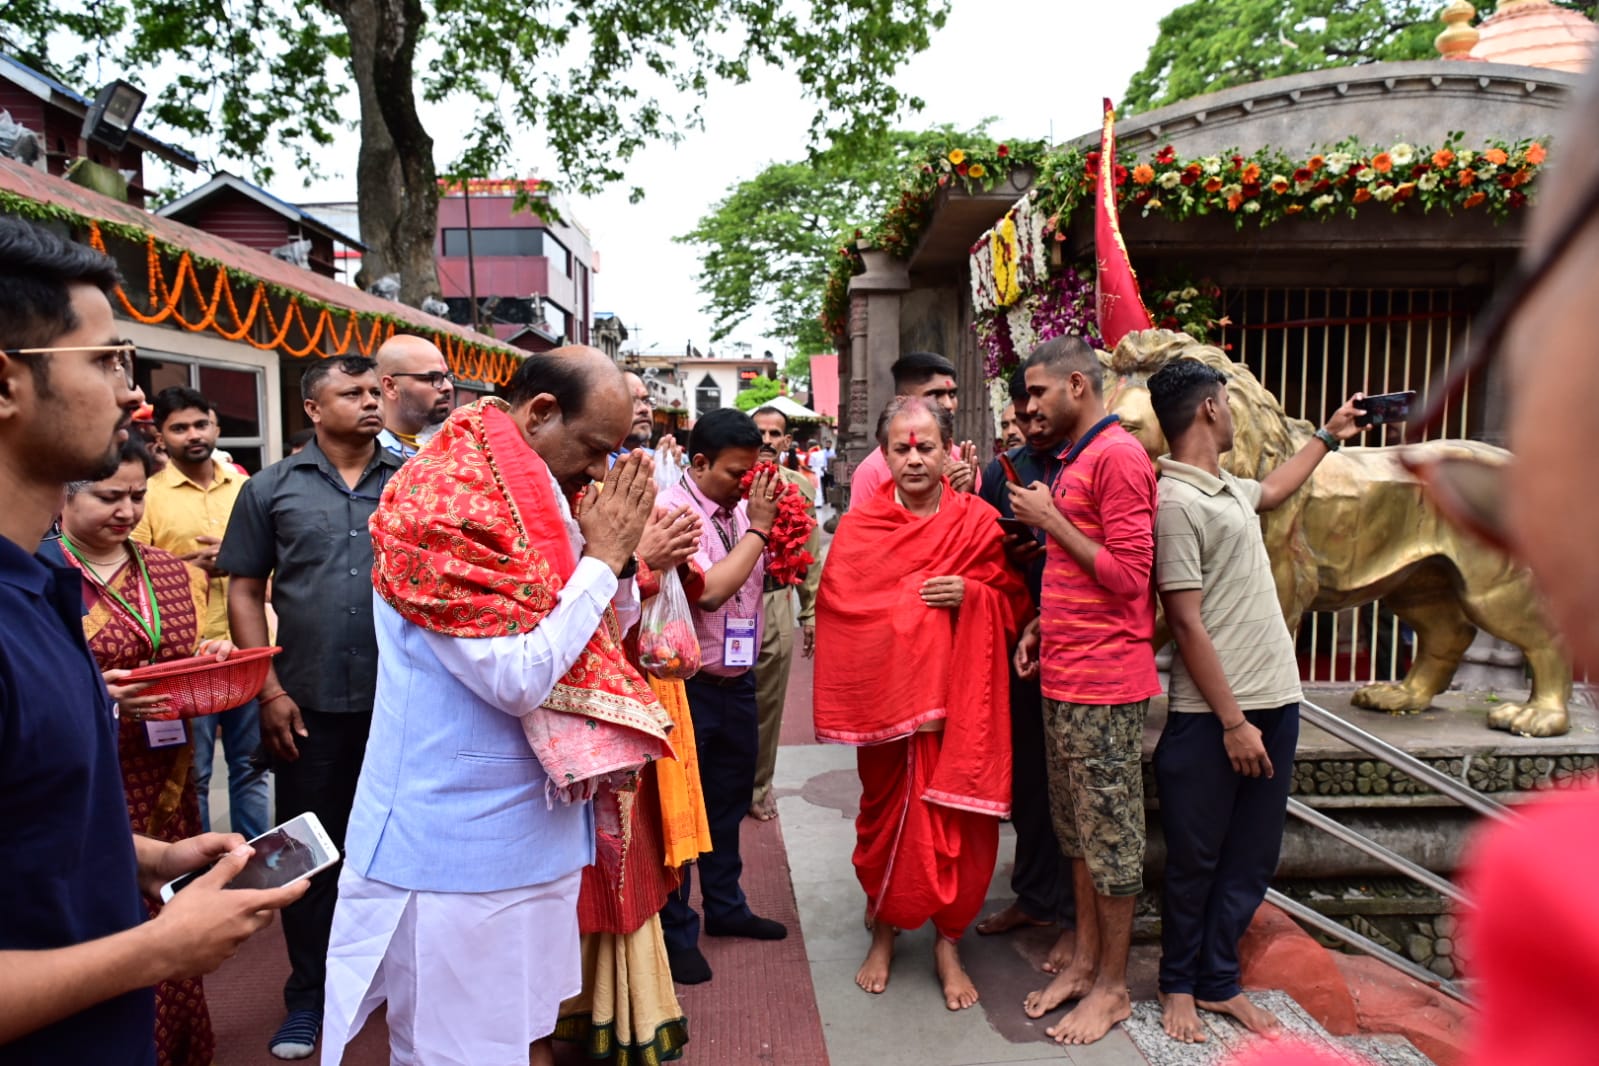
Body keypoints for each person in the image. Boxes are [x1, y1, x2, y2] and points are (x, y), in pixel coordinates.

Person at [0, 214, 302, 1063]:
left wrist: (147, 856)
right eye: (104, 361)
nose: (136, 398)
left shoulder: (40, 587)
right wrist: (153, 951)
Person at [322, 348, 675, 1066]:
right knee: (453, 1049)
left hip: (527, 828)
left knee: (512, 1033)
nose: (602, 472)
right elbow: (516, 677)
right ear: (541, 414)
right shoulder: (448, 503)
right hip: (457, 840)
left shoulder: (530, 482)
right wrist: (605, 561)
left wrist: (621, 564)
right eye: (596, 450)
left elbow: (594, 627)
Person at [1144, 359, 1367, 1043]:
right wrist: (1233, 723)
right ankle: (1176, 984)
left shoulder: (1222, 490)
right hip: (1212, 718)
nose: (1236, 416)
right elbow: (1183, 621)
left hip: (1275, 702)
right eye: (1230, 405)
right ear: (1210, 408)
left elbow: (1272, 489)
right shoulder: (1175, 502)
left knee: (1249, 858)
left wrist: (1328, 435)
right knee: (1195, 860)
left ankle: (1216, 982)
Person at [815, 396, 1030, 1011]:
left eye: (925, 447)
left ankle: (948, 942)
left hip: (960, 713)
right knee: (886, 822)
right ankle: (884, 930)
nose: (914, 458)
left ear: (948, 453)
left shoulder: (978, 522)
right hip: (889, 713)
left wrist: (972, 593)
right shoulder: (859, 529)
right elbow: (841, 613)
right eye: (902, 448)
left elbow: (1013, 602)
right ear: (883, 455)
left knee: (963, 825)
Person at [219, 355, 401, 1060]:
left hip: (400, 706)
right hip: (305, 704)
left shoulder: (413, 484)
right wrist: (265, 688)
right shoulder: (269, 488)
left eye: (372, 390)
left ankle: (387, 983)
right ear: (313, 409)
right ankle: (308, 996)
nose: (368, 402)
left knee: (388, 851)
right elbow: (244, 588)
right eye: (350, 393)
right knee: (306, 856)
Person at [60, 437, 243, 1066]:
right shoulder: (42, 574)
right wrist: (99, 699)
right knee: (101, 922)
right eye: (110, 496)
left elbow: (173, 663)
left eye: (138, 496)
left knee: (175, 908)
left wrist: (207, 664)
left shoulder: (165, 569)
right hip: (80, 777)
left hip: (165, 771)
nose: (128, 510)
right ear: (67, 493)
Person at [1008, 335, 1161, 1046]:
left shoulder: (1118, 456)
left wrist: (1049, 521)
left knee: (1112, 843)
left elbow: (1131, 578)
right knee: (1075, 835)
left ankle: (1111, 988)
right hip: (1066, 677)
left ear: (1076, 384)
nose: (1027, 406)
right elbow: (1081, 574)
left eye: (1036, 393)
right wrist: (1041, 622)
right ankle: (1082, 959)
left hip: (1105, 685)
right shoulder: (1075, 457)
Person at [656, 407, 788, 985]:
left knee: (729, 799)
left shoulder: (737, 510)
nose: (746, 485)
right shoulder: (674, 512)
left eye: (753, 472)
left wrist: (752, 521)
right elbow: (708, 592)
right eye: (736, 473)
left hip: (737, 678)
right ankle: (677, 927)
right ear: (699, 462)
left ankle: (727, 908)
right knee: (684, 810)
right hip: (687, 686)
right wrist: (760, 528)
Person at [134, 384, 269, 842]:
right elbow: (134, 575)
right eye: (179, 428)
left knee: (252, 767)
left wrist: (238, 559)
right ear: (161, 436)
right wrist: (188, 568)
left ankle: (255, 857)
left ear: (216, 425)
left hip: (246, 650)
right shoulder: (148, 496)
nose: (192, 434)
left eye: (200, 423)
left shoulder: (248, 487)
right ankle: (206, 864)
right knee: (195, 771)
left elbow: (277, 561)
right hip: (186, 658)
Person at [973, 372, 1072, 939]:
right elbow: (982, 549)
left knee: (1076, 785)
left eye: (1039, 409)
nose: (1031, 420)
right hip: (1020, 641)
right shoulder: (1002, 471)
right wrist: (1009, 550)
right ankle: (1035, 896)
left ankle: (1076, 917)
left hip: (1085, 642)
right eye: (1022, 410)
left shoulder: (1089, 463)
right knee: (1030, 777)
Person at [748, 405, 822, 822]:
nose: (768, 441)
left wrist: (808, 613)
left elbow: (809, 557)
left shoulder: (799, 490)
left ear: (787, 442)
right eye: (761, 432)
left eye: (776, 434)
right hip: (726, 603)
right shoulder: (727, 484)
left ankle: (759, 787)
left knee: (768, 703)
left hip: (776, 601)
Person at [849, 352, 981, 501]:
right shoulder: (871, 472)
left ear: (947, 448)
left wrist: (965, 496)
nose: (949, 405)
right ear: (902, 401)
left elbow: (976, 518)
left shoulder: (963, 461)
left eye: (952, 394)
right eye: (935, 395)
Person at [374, 334, 453, 459]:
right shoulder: (365, 456)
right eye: (432, 378)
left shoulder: (440, 450)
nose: (448, 387)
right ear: (390, 386)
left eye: (446, 377)